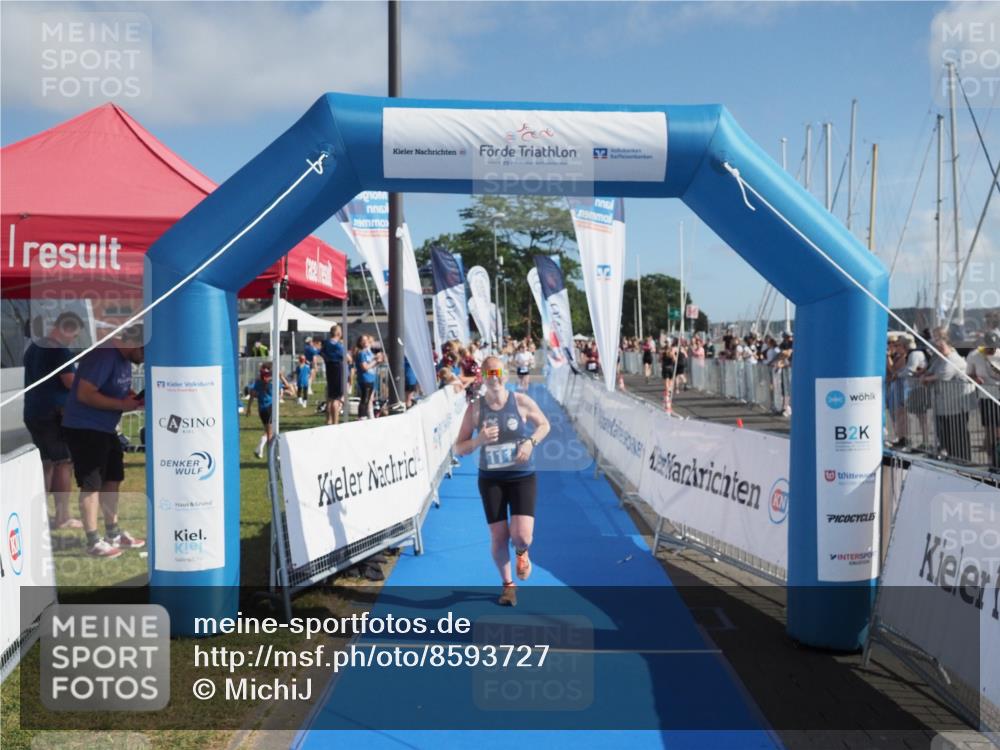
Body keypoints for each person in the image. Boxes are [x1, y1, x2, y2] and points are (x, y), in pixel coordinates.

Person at [454, 357, 550, 607]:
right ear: (483, 378)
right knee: (498, 536)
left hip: (521, 476)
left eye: (497, 372)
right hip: (491, 479)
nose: (493, 377)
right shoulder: (475, 409)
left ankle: (521, 552)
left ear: (505, 375)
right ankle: (508, 585)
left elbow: (544, 425)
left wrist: (530, 443)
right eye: (488, 373)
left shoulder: (520, 402)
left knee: (522, 536)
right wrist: (478, 441)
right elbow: (459, 447)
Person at [61, 326, 146, 558]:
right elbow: (85, 394)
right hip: (84, 427)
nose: (146, 358)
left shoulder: (124, 359)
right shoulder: (105, 354)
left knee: (113, 479)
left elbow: (115, 387)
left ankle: (113, 533)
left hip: (105, 428)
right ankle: (93, 541)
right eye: (145, 352)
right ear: (135, 343)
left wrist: (130, 398)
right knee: (91, 484)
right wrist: (121, 405)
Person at [23, 312, 84, 529]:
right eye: (74, 335)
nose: (73, 340)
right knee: (63, 462)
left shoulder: (34, 348)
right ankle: (63, 516)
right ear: (66, 329)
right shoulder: (59, 350)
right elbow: (70, 382)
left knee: (47, 464)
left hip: (33, 412)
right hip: (53, 414)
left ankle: (39, 516)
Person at [921, 327, 973, 462]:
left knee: (958, 435)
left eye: (941, 346)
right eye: (937, 346)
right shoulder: (939, 359)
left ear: (947, 344)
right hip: (944, 406)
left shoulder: (953, 358)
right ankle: (952, 457)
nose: (939, 349)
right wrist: (927, 377)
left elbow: (943, 375)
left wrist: (927, 379)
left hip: (957, 406)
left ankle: (963, 460)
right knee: (946, 435)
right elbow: (929, 371)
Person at [967, 329, 1000, 470]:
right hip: (986, 397)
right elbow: (968, 374)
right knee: (990, 430)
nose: (992, 350)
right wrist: (975, 379)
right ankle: (992, 461)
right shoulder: (974, 355)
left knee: (997, 431)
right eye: (990, 347)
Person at [246, 364, 276, 458]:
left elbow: (251, 395)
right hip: (269, 408)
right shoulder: (271, 384)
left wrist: (249, 408)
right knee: (270, 432)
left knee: (267, 431)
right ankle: (268, 452)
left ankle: (261, 450)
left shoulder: (257, 383)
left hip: (261, 410)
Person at [321, 325, 349, 425]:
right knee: (336, 399)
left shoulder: (326, 343)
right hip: (338, 370)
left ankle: (328, 420)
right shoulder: (338, 345)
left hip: (330, 369)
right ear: (338, 333)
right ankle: (335, 422)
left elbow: (322, 353)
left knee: (330, 397)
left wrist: (328, 360)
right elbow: (347, 358)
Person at [354, 335, 382, 419]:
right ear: (360, 343)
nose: (366, 341)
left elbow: (372, 364)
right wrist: (375, 361)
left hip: (371, 378)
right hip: (365, 378)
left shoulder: (369, 352)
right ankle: (362, 416)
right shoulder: (361, 353)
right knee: (365, 398)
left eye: (367, 340)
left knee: (370, 398)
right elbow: (365, 367)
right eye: (363, 340)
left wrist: (377, 361)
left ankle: (370, 415)